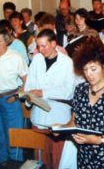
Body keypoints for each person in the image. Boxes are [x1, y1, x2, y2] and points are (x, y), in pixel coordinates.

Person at [60, 37, 104, 168]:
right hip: (85, 158)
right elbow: (74, 122)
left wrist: (97, 140)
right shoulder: (80, 90)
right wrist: (60, 129)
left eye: (93, 69)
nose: (89, 74)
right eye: (85, 69)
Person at [24, 29, 76, 169]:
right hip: (38, 116)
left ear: (53, 44)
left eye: (44, 46)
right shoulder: (36, 59)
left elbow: (68, 92)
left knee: (58, 159)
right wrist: (29, 95)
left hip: (58, 117)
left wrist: (43, 92)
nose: (40, 50)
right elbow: (30, 83)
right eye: (38, 46)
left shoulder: (67, 62)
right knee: (40, 160)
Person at [0, 26, 28, 164]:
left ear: (6, 41)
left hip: (10, 99)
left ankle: (16, 164)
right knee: (0, 138)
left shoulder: (15, 57)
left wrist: (17, 96)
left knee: (14, 137)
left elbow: (27, 82)